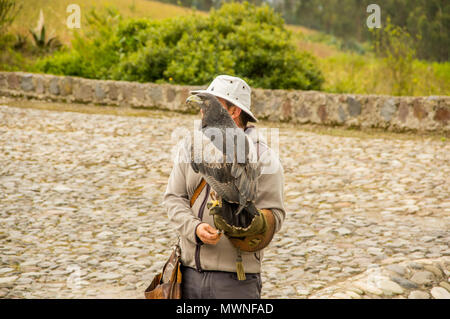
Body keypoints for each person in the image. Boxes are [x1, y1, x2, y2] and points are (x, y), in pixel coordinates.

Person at [163, 75, 285, 299]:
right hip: (188, 276)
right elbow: (174, 198)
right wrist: (194, 229)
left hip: (235, 283)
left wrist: (254, 223)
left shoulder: (263, 156)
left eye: (211, 103)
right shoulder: (192, 145)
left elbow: (275, 215)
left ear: (234, 111)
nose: (202, 109)